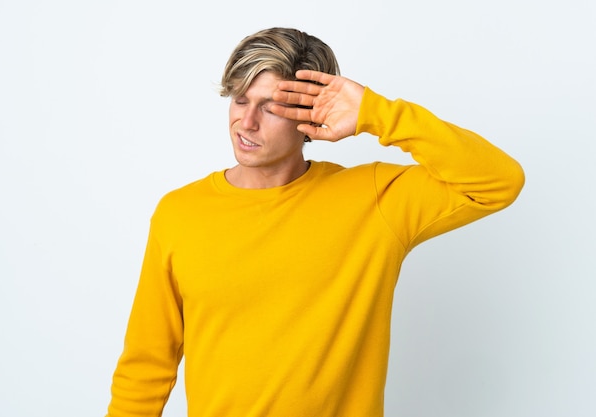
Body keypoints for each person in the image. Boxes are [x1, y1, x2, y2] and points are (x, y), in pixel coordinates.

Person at [106, 27, 524, 417]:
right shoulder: (180, 213)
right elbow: (146, 365)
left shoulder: (374, 201)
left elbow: (499, 181)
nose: (246, 123)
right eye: (240, 100)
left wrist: (376, 113)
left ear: (310, 116)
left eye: (270, 108)